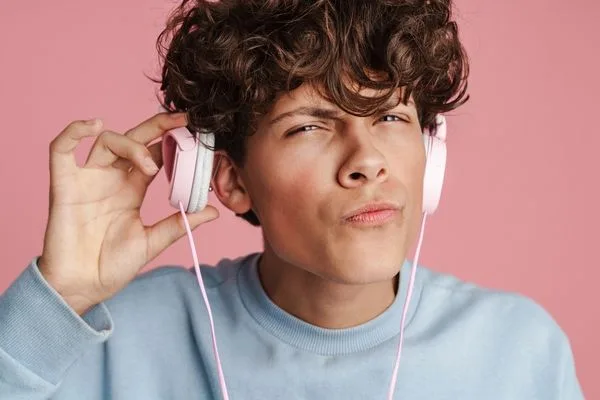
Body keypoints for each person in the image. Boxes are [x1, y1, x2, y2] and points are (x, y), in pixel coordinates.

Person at [0, 0, 584, 399]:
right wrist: (60, 295)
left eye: (389, 116)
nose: (367, 160)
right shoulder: (113, 338)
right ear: (228, 178)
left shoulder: (520, 350)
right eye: (309, 126)